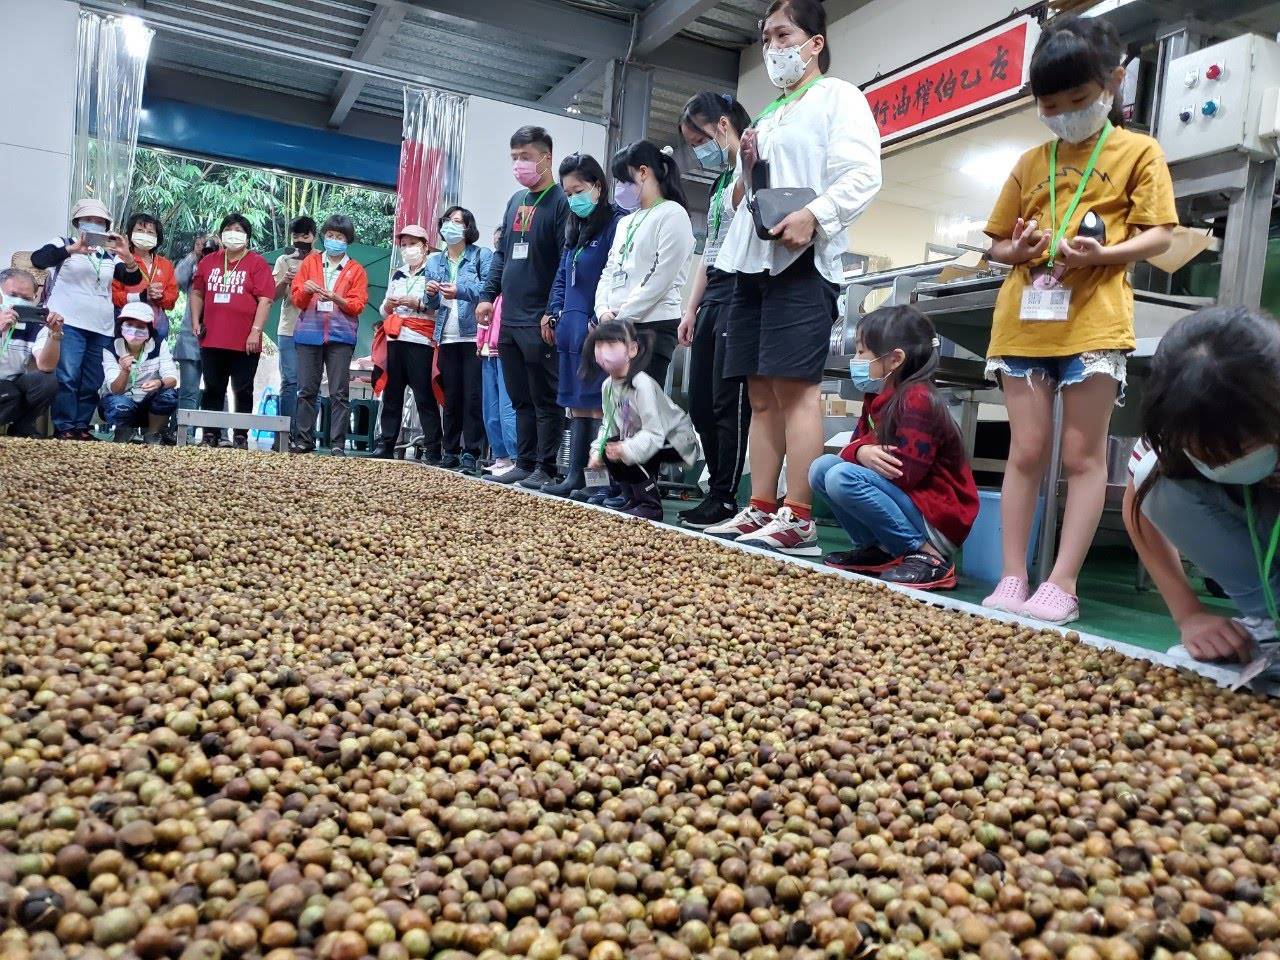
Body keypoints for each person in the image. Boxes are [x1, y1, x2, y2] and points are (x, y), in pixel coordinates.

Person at [981, 17, 1176, 624]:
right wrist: (1015, 250)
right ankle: (1014, 575)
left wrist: (1105, 253)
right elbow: (994, 245)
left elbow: (1160, 235)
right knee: (1026, 450)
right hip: (1024, 318)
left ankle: (1062, 581)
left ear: (1113, 83)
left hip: (1092, 320)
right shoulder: (1029, 161)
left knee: (1082, 456)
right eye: (1050, 104)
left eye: (1078, 101)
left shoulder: (1138, 151)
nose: (1064, 113)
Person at [707, 0, 882, 556]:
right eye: (766, 38)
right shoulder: (766, 115)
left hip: (802, 263)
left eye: (784, 34)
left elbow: (861, 174)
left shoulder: (839, 98)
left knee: (796, 388)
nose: (773, 47)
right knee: (759, 393)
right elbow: (740, 201)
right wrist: (748, 165)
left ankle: (800, 514)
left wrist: (816, 216)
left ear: (815, 42)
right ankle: (760, 505)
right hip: (750, 264)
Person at [1124, 307, 1279, 669]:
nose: (1224, 462)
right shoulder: (1173, 429)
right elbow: (1138, 502)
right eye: (1205, 452)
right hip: (1256, 532)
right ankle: (1268, 618)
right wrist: (1189, 615)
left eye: (1239, 449)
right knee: (1152, 478)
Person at [810, 307, 979, 588]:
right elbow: (854, 448)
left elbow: (905, 475)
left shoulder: (918, 399)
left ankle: (927, 555)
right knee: (821, 469)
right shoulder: (877, 396)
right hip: (907, 505)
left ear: (895, 359)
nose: (855, 361)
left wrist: (858, 453)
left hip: (935, 519)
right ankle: (878, 550)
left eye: (861, 353)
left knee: (842, 477)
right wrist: (860, 452)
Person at [476, 126, 571, 490]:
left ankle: (546, 467)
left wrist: (554, 309)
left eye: (526, 157)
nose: (519, 164)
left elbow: (565, 260)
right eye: (514, 158)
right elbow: (502, 254)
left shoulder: (561, 201)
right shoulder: (516, 201)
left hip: (541, 319)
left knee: (544, 398)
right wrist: (488, 295)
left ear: (546, 158)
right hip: (510, 318)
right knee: (519, 397)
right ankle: (524, 461)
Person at [677, 92, 755, 529]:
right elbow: (709, 250)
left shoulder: (749, 168)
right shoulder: (719, 182)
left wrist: (742, 154)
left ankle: (725, 495)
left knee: (729, 401)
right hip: (712, 294)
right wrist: (691, 308)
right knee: (702, 404)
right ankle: (715, 490)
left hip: (739, 292)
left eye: (700, 138)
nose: (698, 149)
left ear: (722, 126)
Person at [543, 153, 626, 499]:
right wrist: (553, 313)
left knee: (599, 404)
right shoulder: (574, 226)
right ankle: (575, 475)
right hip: (571, 326)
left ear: (598, 186)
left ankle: (600, 482)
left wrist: (602, 319)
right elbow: (563, 274)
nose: (573, 198)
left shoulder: (616, 223)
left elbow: (614, 274)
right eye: (567, 192)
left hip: (597, 325)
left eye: (578, 189)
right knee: (575, 403)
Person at [31, 198, 144, 440]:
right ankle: (65, 427)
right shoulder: (63, 243)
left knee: (92, 379)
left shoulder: (108, 254)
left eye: (99, 221)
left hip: (101, 325)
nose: (94, 224)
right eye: (88, 220)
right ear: (78, 223)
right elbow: (38, 259)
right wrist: (72, 250)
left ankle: (82, 427)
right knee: (68, 376)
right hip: (68, 322)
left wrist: (127, 256)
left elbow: (132, 280)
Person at [596, 141, 694, 388]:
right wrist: (602, 310)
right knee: (619, 412)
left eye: (623, 180)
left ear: (643, 172)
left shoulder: (673, 214)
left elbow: (661, 276)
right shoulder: (624, 222)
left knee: (643, 412)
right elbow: (609, 270)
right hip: (619, 324)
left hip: (653, 326)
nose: (619, 188)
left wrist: (624, 315)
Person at [583, 319, 701, 521]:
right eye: (598, 345)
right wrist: (597, 453)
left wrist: (626, 449)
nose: (603, 351)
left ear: (632, 350)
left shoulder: (642, 383)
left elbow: (654, 432)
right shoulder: (608, 386)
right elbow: (608, 425)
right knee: (609, 447)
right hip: (647, 439)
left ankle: (650, 505)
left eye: (611, 345)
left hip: (676, 440)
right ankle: (632, 498)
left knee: (625, 448)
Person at [190, 213, 275, 448]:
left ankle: (240, 435)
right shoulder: (208, 262)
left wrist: (256, 331)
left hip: (245, 340)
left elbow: (266, 299)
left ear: (247, 237)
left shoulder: (256, 263)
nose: (233, 233)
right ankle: (210, 434)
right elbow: (197, 292)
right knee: (212, 387)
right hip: (212, 337)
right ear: (221, 233)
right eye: (229, 228)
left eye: (239, 230)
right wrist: (195, 320)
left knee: (243, 389)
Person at [291, 214, 370, 457]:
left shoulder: (355, 270)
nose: (334, 240)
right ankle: (304, 440)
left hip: (340, 337)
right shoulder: (310, 262)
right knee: (306, 389)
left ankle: (337, 443)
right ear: (323, 237)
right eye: (330, 235)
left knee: (339, 392)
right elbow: (296, 298)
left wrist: (337, 298)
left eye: (339, 237)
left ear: (347, 241)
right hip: (309, 333)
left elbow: (358, 305)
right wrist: (305, 289)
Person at [423, 206, 490, 474]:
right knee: (451, 397)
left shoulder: (480, 255)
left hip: (472, 334)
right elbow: (430, 304)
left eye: (457, 221)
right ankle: (449, 450)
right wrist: (430, 293)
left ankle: (471, 452)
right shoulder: (433, 261)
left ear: (468, 228)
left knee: (472, 397)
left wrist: (460, 291)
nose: (450, 225)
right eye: (447, 220)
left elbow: (488, 289)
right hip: (446, 335)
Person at [376, 224, 444, 463]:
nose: (408, 249)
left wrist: (416, 304)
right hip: (396, 338)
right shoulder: (398, 273)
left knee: (424, 395)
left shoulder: (435, 271)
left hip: (421, 341)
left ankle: (434, 448)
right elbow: (384, 310)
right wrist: (391, 306)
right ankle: (386, 444)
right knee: (392, 394)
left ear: (425, 247)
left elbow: (440, 309)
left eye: (413, 244)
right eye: (404, 245)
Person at [99, 301, 179, 444]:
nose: (134, 331)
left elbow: (172, 378)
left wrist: (159, 382)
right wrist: (124, 371)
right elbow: (115, 390)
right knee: (119, 404)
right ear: (121, 327)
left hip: (149, 403)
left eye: (141, 327)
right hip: (120, 401)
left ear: (149, 330)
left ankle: (153, 434)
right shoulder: (110, 348)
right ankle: (123, 432)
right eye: (129, 325)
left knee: (169, 395)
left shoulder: (159, 344)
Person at [0, 268, 63, 437]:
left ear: (35, 298)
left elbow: (46, 366)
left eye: (26, 298)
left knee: (47, 381)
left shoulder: (35, 325)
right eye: (13, 294)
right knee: (9, 392)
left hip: (12, 383)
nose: (19, 301)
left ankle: (22, 429)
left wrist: (54, 335)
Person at [477, 227, 518, 477]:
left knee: (507, 407)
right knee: (490, 410)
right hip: (486, 352)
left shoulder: (513, 289)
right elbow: (483, 320)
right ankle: (501, 456)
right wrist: (480, 343)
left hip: (504, 352)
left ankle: (515, 457)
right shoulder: (492, 292)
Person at [272, 216, 317, 426]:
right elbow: (273, 295)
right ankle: (285, 432)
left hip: (315, 327)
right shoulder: (284, 260)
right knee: (290, 381)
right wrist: (285, 280)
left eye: (304, 235)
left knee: (309, 384)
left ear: (313, 237)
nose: (300, 239)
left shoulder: (322, 260)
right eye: (296, 236)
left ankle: (305, 434)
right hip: (289, 327)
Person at [174, 233, 219, 440]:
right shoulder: (194, 267)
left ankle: (218, 434)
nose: (207, 249)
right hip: (190, 335)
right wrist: (195, 255)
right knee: (188, 390)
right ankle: (185, 433)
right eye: (202, 245)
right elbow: (177, 280)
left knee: (217, 390)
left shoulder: (226, 267)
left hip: (218, 337)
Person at [111, 213, 179, 345]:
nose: (145, 235)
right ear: (130, 234)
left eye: (150, 232)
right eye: (140, 231)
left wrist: (160, 296)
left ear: (157, 238)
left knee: (154, 363)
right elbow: (113, 296)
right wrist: (141, 296)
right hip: (126, 324)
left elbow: (172, 300)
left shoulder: (165, 264)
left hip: (156, 326)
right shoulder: (120, 260)